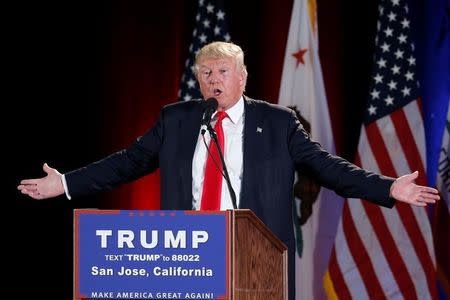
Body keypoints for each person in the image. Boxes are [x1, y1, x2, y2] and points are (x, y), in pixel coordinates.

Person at [18, 41, 440, 300]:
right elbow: (128, 162)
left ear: (242, 77)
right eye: (205, 73)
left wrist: (387, 188)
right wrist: (67, 183)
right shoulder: (177, 120)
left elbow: (327, 168)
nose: (213, 80)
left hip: (255, 261)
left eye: (222, 72)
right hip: (187, 257)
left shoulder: (277, 123)